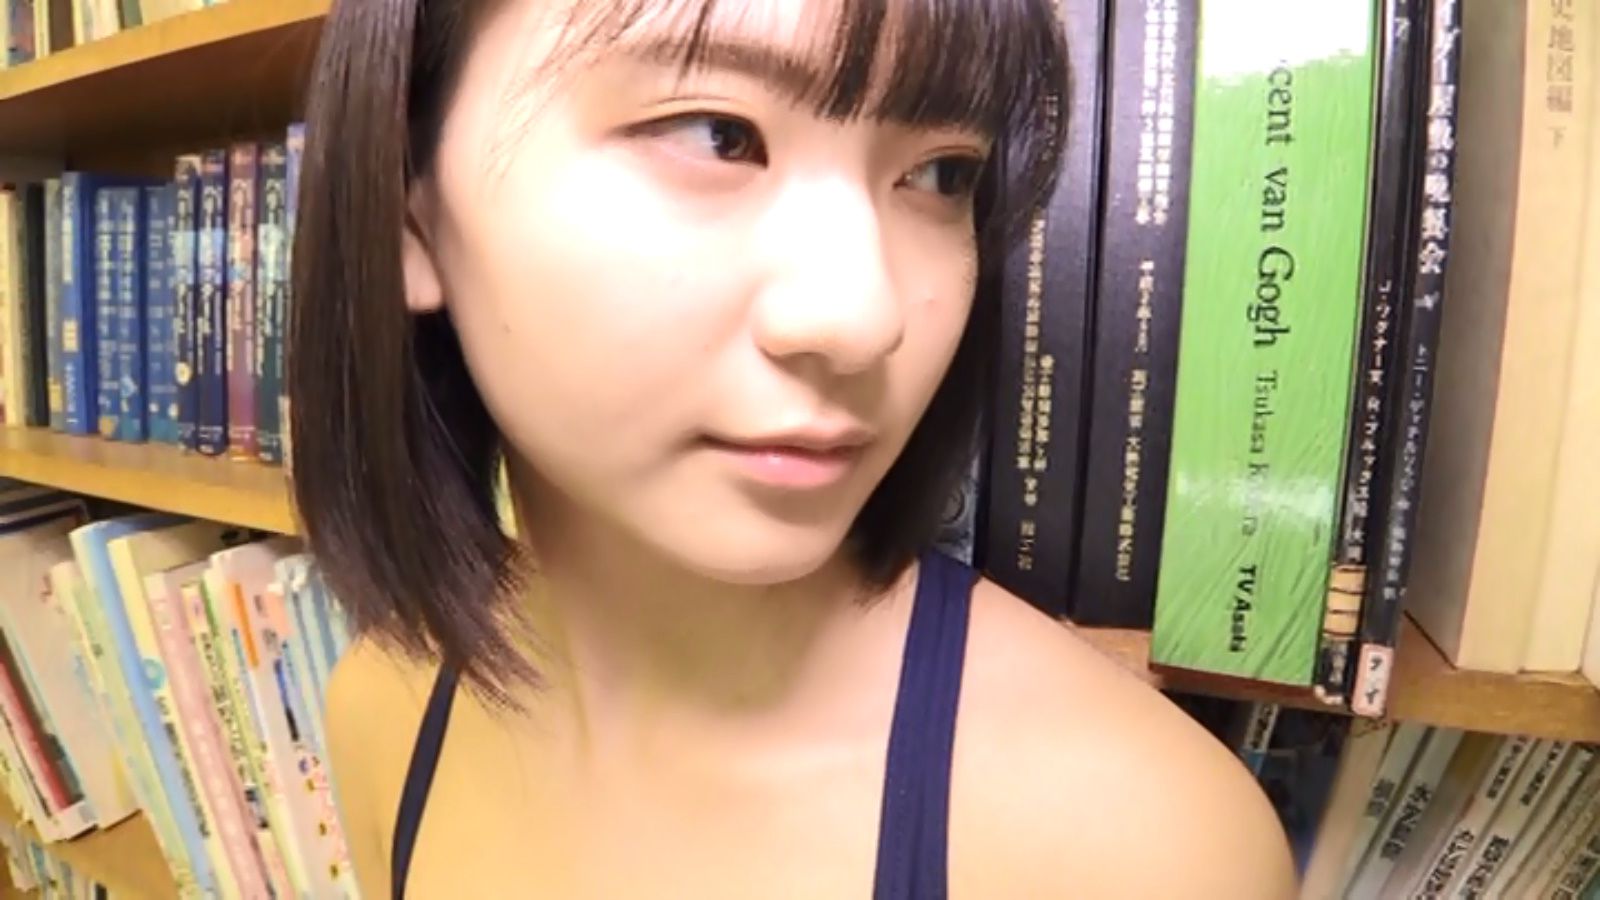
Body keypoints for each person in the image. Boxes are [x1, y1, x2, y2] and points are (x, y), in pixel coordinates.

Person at [290, 0, 1296, 897]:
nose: (863, 317)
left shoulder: (1149, 845)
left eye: (939, 175)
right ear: (410, 213)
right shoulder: (385, 708)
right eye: (717, 135)